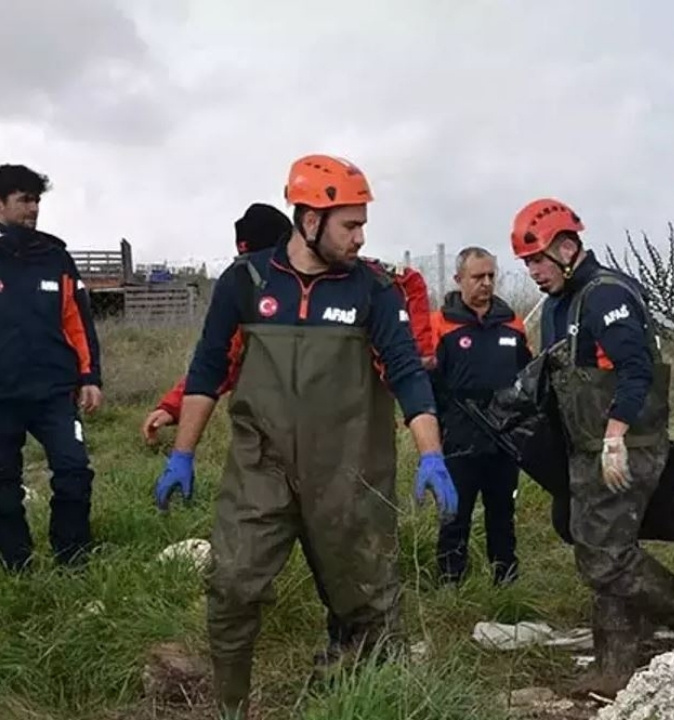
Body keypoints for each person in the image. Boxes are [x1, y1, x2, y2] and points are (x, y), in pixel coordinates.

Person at [149, 154, 458, 718]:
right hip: (259, 466)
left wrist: (431, 454)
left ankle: (361, 699)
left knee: (369, 598)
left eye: (363, 223)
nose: (361, 237)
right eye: (350, 224)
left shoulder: (374, 290)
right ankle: (231, 707)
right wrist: (182, 454)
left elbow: (407, 373)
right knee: (233, 585)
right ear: (309, 220)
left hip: (350, 470)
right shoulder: (245, 283)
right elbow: (207, 370)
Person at [512, 197, 674, 697]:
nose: (534, 272)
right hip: (587, 443)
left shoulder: (607, 295)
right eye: (528, 264)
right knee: (597, 544)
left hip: (626, 443)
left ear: (566, 246)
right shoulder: (563, 302)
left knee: (604, 556)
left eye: (538, 259)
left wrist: (615, 434)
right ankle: (615, 664)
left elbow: (636, 369)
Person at [141, 205, 436, 443]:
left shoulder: (354, 275)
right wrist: (173, 407)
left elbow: (408, 281)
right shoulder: (250, 289)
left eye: (255, 256)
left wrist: (420, 348)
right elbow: (218, 362)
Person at [0, 164, 103, 571]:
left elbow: (77, 321)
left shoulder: (56, 257)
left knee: (75, 472)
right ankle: (16, 565)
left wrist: (90, 376)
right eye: (24, 199)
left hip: (55, 392)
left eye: (37, 199)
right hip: (2, 395)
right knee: (3, 487)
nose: (34, 208)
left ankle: (73, 559)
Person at [430, 246, 532, 586]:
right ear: (459, 279)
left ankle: (506, 583)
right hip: (458, 438)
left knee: (502, 515)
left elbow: (527, 378)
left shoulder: (512, 323)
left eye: (491, 276)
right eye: (478, 277)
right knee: (454, 515)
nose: (486, 283)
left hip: (504, 439)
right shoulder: (440, 325)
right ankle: (450, 584)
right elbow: (428, 385)